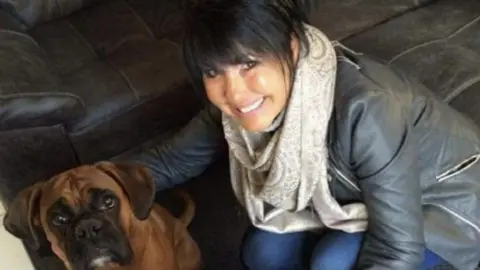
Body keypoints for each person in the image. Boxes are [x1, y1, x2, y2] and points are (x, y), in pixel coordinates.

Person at [125, 0, 480, 269]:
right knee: (262, 251)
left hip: (444, 209)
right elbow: (171, 160)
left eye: (249, 63)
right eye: (213, 71)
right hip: (350, 203)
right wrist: (79, 187)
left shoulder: (365, 109)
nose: (233, 93)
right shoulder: (235, 109)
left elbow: (398, 247)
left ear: (292, 49)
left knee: (331, 261)